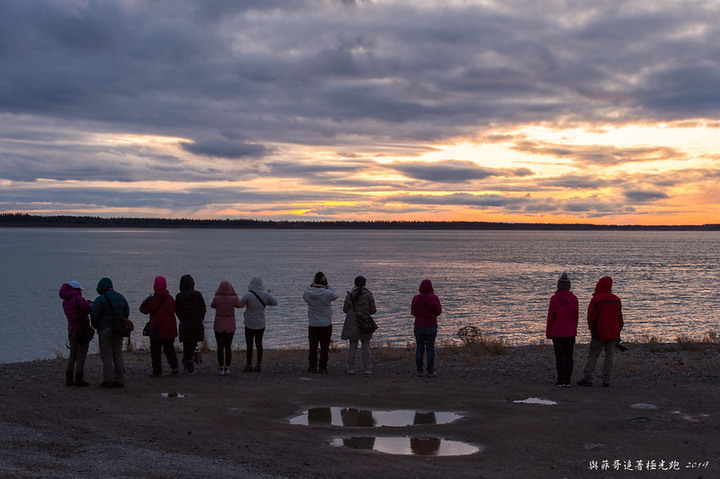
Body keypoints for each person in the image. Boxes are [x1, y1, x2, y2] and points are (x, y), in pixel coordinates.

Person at [577, 276, 624, 387]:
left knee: (593, 355)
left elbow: (591, 317)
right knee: (609, 356)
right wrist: (618, 330)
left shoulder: (596, 300)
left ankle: (588, 378)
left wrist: (592, 329)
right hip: (613, 332)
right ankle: (606, 380)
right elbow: (620, 318)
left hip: (599, 331)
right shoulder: (616, 299)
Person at [91, 277, 129, 388]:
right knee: (117, 354)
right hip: (118, 330)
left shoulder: (100, 299)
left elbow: (94, 315)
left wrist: (96, 326)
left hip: (105, 329)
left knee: (106, 354)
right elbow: (126, 313)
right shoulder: (121, 297)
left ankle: (108, 379)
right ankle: (120, 379)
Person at [139, 276, 178, 377]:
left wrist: (146, 300)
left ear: (155, 286)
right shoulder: (170, 299)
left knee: (155, 350)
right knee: (169, 348)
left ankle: (157, 371)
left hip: (157, 328)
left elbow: (143, 309)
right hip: (170, 328)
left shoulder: (153, 299)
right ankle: (175, 367)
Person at [546, 272, 579, 387]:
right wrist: (574, 329)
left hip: (557, 332)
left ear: (558, 285)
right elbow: (576, 316)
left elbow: (551, 316)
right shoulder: (574, 299)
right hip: (570, 332)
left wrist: (548, 333)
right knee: (569, 357)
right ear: (569, 286)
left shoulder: (554, 299)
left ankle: (560, 380)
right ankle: (568, 380)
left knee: (559, 357)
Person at [239, 276, 278, 372]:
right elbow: (275, 302)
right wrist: (265, 301)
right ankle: (259, 364)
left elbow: (240, 305)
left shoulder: (247, 295)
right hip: (261, 323)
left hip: (249, 323)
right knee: (259, 343)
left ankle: (248, 365)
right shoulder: (265, 294)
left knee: (249, 344)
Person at [303, 272, 339, 374]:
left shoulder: (307, 293)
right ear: (324, 282)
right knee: (324, 347)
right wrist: (328, 285)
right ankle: (323, 367)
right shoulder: (327, 293)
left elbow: (306, 291)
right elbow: (336, 295)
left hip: (313, 324)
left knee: (313, 346)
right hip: (326, 324)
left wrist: (312, 285)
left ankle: (312, 366)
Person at [341, 275, 377, 375]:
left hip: (352, 322)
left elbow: (345, 309)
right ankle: (367, 369)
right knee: (366, 345)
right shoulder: (369, 295)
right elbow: (373, 310)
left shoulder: (350, 295)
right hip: (365, 322)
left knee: (353, 345)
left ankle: (351, 368)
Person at [59, 281, 93, 387]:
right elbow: (88, 309)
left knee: (72, 354)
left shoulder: (65, 302)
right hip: (81, 330)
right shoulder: (78, 299)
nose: (80, 292)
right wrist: (91, 303)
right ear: (76, 289)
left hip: (71, 329)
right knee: (81, 355)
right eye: (79, 290)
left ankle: (69, 379)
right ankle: (79, 378)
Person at [175, 274, 206, 375]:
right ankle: (189, 366)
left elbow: (177, 310)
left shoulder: (179, 296)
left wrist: (182, 318)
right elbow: (203, 309)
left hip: (184, 324)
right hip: (196, 323)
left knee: (186, 345)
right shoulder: (198, 295)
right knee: (192, 345)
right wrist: (200, 318)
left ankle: (187, 364)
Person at [411, 279, 442, 377]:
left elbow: (413, 312)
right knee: (430, 348)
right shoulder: (434, 298)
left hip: (419, 325)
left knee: (419, 348)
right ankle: (430, 371)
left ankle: (419, 370)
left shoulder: (416, 298)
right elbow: (438, 311)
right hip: (431, 325)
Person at [211, 280, 241, 375]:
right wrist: (235, 295)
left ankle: (220, 368)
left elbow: (212, 306)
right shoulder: (233, 298)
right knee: (228, 347)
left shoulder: (217, 298)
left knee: (220, 347)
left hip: (219, 324)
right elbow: (239, 305)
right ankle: (227, 367)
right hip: (230, 325)